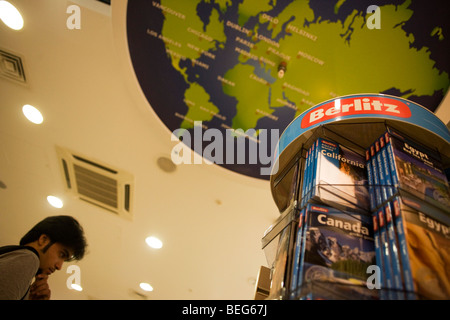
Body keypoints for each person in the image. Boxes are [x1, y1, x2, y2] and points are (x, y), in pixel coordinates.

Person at [0, 215, 87, 300]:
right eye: (61, 254)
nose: (59, 266)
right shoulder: (29, 258)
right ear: (43, 240)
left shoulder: (17, 257)